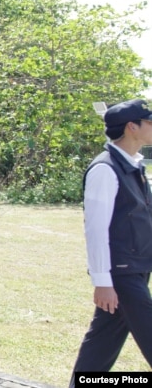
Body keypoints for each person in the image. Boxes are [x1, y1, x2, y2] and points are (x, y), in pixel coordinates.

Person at [69, 99, 152, 384]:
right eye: (149, 121)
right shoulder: (105, 169)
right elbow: (96, 229)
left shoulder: (132, 165)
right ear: (132, 127)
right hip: (122, 273)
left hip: (137, 268)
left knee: (101, 346)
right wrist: (102, 282)